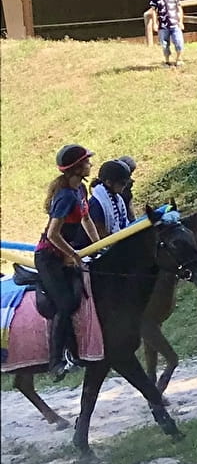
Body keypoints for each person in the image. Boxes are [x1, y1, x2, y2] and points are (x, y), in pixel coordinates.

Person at [36, 144, 103, 379]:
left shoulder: (80, 189)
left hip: (66, 253)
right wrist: (74, 254)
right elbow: (53, 234)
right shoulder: (64, 196)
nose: (90, 165)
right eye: (86, 162)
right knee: (64, 303)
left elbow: (86, 220)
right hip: (49, 258)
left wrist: (99, 245)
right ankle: (55, 362)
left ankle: (78, 353)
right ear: (76, 168)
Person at [146, 0, 185, 68]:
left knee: (179, 41)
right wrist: (155, 23)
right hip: (163, 25)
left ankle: (179, 59)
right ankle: (167, 61)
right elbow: (154, 11)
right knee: (164, 44)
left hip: (175, 23)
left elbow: (179, 9)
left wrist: (181, 21)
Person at [88, 158, 135, 234]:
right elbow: (101, 233)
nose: (125, 186)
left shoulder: (117, 198)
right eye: (123, 183)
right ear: (109, 183)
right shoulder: (97, 204)